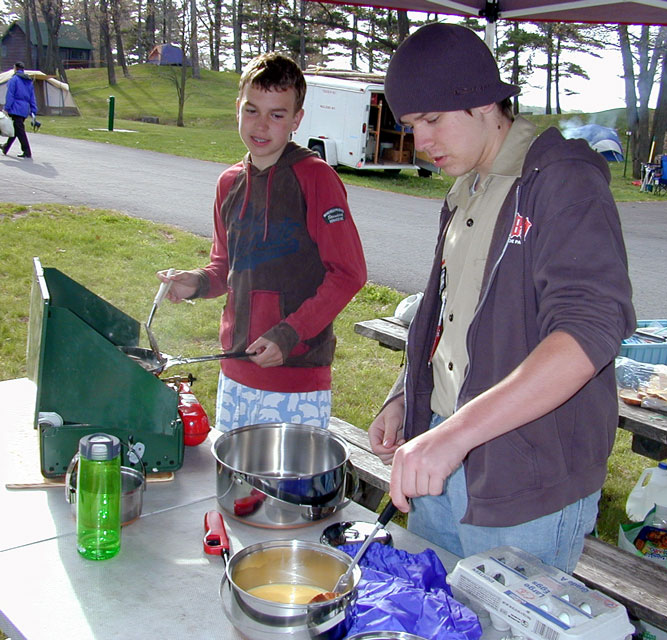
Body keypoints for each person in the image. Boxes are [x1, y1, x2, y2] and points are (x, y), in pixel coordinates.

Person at [369, 23, 636, 573]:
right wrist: (406, 393)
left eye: (433, 120)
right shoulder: (467, 186)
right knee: (440, 622)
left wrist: (455, 435)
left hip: (525, 477)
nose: (421, 144)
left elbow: (590, 330)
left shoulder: (561, 179)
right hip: (438, 457)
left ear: (486, 102)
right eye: (412, 125)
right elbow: (450, 314)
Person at [158, 52, 367, 431]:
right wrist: (197, 282)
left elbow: (348, 273)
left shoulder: (315, 178)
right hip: (235, 371)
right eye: (252, 110)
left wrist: (290, 333)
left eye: (277, 114)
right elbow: (226, 266)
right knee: (235, 488)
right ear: (238, 108)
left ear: (297, 120)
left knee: (288, 491)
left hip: (296, 377)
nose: (262, 125)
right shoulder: (228, 183)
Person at [2, 62, 37, 159]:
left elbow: (10, 95)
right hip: (24, 109)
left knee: (19, 130)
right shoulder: (28, 81)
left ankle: (27, 151)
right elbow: (32, 97)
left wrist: (6, 108)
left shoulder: (14, 79)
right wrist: (33, 110)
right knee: (16, 128)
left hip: (15, 108)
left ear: (15, 68)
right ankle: (6, 147)